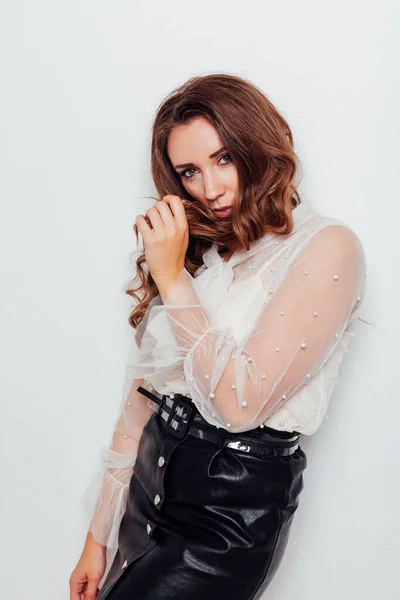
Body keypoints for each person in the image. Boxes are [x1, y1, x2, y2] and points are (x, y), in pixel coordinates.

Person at [69, 74, 367, 600]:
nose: (209, 189)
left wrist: (172, 278)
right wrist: (99, 538)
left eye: (224, 158)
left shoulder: (327, 247)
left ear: (260, 146)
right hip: (146, 494)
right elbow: (141, 406)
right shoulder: (202, 253)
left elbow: (238, 404)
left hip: (225, 520)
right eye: (189, 172)